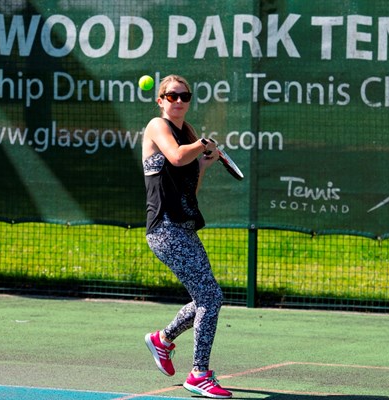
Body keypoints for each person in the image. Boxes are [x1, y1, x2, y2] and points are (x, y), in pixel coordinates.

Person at [142, 74, 232, 399]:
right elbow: (178, 156)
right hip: (164, 228)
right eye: (172, 96)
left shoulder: (188, 132)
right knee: (211, 298)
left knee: (206, 297)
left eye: (185, 96)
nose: (179, 101)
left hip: (183, 224)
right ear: (161, 100)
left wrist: (204, 165)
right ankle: (198, 374)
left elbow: (187, 188)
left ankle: (162, 340)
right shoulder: (157, 127)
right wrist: (203, 145)